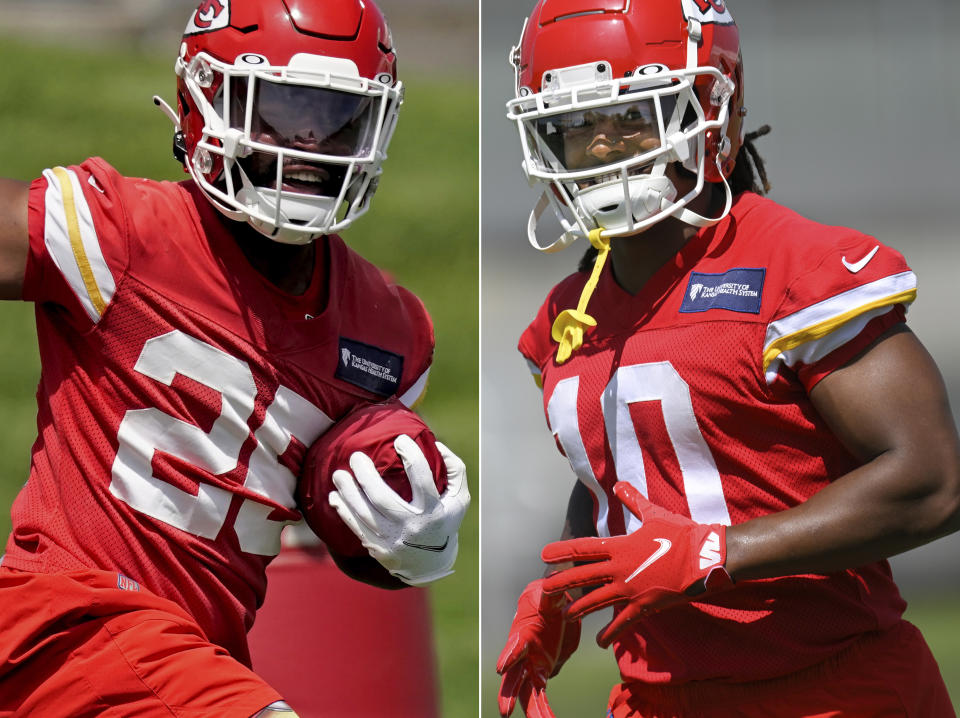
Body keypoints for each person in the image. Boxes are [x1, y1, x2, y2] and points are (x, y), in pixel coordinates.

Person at [0, 0, 470, 715]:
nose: (309, 141)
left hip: (189, 660)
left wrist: (410, 546)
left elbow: (331, 531)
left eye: (338, 114)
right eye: (282, 109)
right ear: (204, 99)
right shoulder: (120, 233)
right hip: (69, 624)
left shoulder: (391, 334)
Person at [495, 1, 960, 716]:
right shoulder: (565, 315)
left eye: (630, 117)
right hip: (653, 699)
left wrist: (718, 553)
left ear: (710, 107)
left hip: (832, 692)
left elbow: (932, 482)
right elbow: (624, 466)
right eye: (575, 124)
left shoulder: (796, 269)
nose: (597, 147)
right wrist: (566, 585)